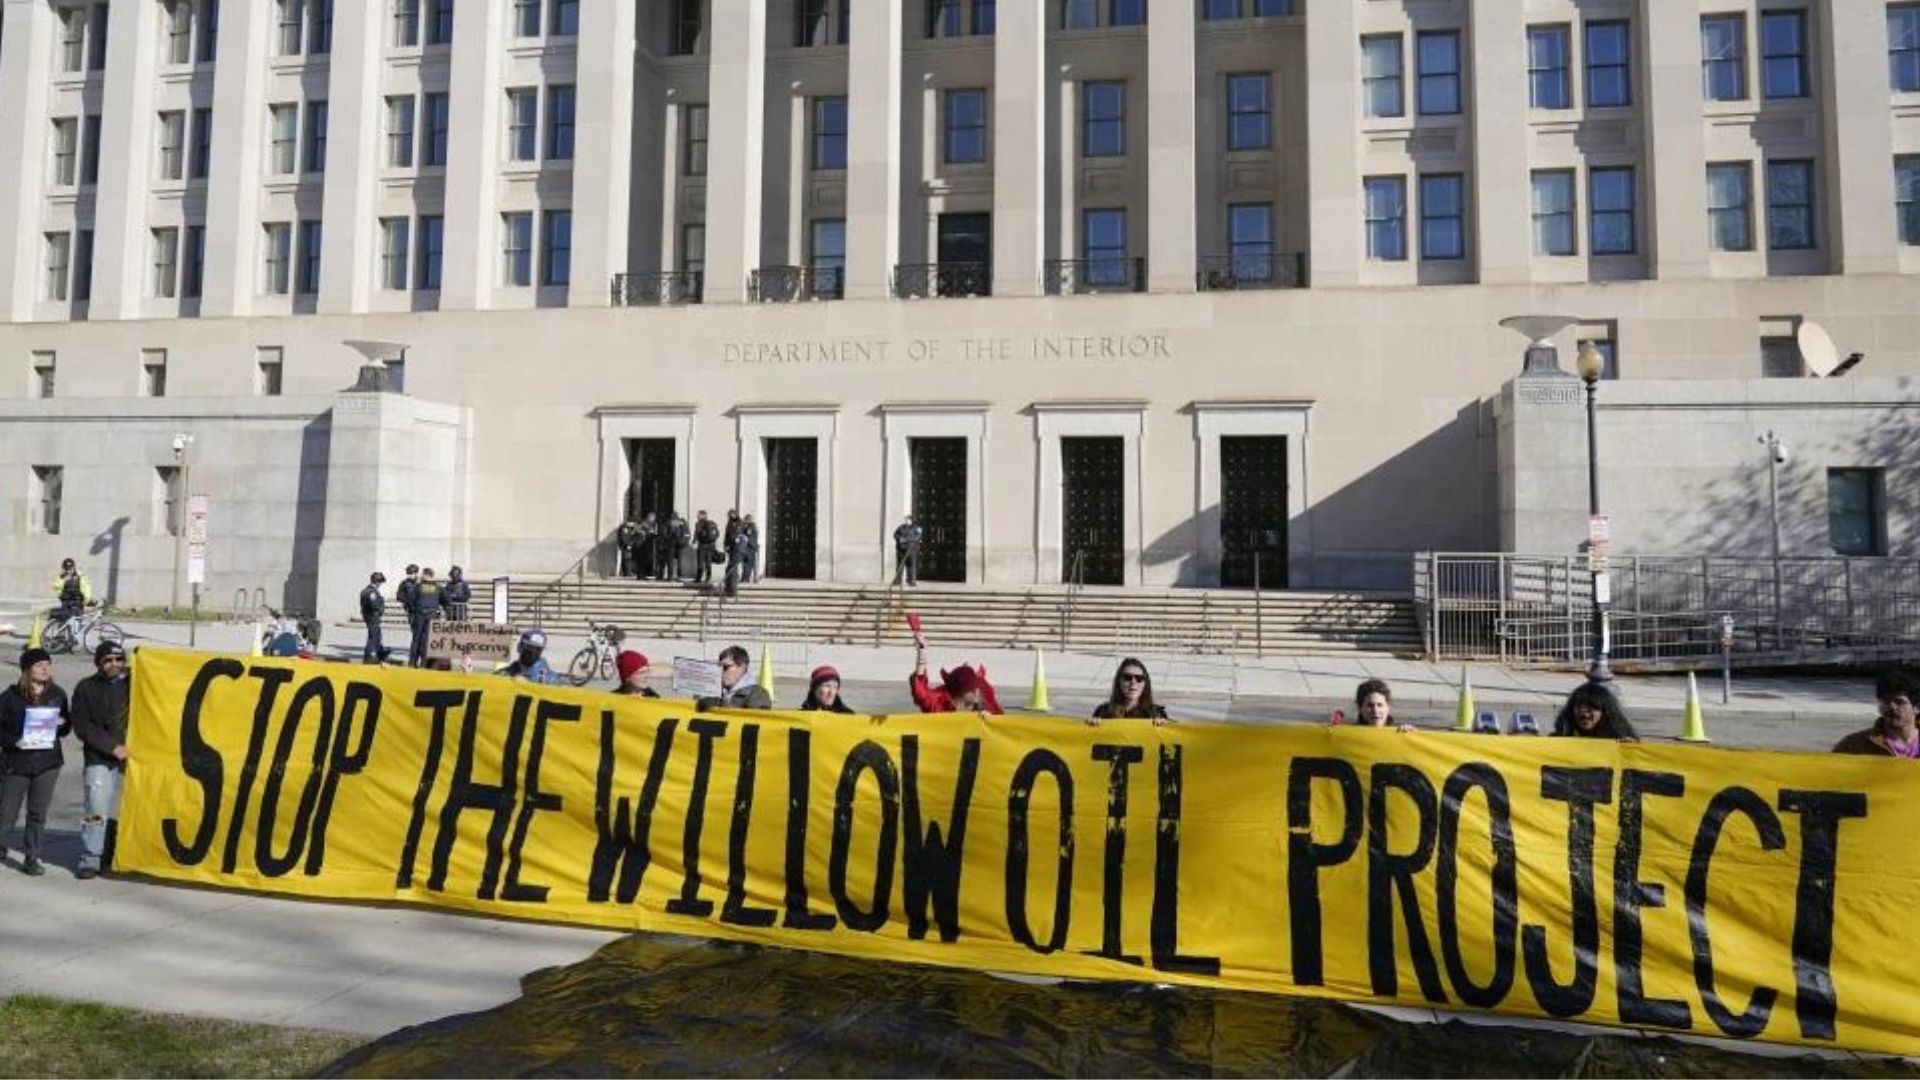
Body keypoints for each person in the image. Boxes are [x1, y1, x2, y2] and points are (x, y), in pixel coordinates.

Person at [0, 648, 71, 876]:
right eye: (40, 665)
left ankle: (32, 857)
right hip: (17, 762)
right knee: (7, 814)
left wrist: (62, 724)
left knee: (37, 813)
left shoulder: (57, 694)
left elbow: (66, 728)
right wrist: (14, 742)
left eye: (48, 664)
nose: (45, 669)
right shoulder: (10, 696)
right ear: (27, 670)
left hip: (47, 764)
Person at [70, 641, 129, 879]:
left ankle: (123, 854)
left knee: (133, 808)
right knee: (95, 809)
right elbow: (82, 726)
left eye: (118, 659)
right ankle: (90, 858)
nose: (114, 664)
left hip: (134, 756)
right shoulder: (86, 688)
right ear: (99, 663)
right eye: (108, 660)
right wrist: (111, 747)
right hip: (99, 758)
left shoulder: (135, 684)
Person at [1833, 671, 1920, 757]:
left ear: (1917, 708)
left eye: (1899, 702)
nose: (1891, 707)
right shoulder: (1854, 745)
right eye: (1886, 701)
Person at [909, 643, 1003, 714]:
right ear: (955, 697)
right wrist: (922, 652)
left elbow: (1002, 724)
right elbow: (921, 694)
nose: (973, 696)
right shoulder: (941, 708)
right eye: (966, 702)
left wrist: (990, 721)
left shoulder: (984, 704)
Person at [1090, 658, 1171, 724]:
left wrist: (1165, 728)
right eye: (1127, 678)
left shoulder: (1157, 714)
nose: (1133, 682)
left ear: (1145, 684)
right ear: (1119, 681)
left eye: (1139, 679)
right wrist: (1091, 728)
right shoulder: (1103, 712)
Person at [1552, 681, 1638, 740]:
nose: (1584, 711)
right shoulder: (1561, 735)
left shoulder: (1621, 739)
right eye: (1579, 706)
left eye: (1591, 707)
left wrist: (1630, 750)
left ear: (1604, 711)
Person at [697, 645, 773, 710]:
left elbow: (755, 721)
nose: (721, 671)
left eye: (725, 667)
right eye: (719, 668)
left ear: (741, 667)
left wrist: (720, 705)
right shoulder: (717, 692)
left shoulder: (758, 694)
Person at [1351, 677, 1416, 734]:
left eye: (1380, 705)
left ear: (1388, 708)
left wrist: (1413, 735)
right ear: (1360, 708)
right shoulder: (1349, 736)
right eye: (1370, 706)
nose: (1375, 710)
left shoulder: (1400, 733)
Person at [408, 568, 443, 668]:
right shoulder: (438, 587)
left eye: (422, 574)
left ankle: (412, 662)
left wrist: (414, 609)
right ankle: (424, 663)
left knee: (416, 639)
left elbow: (410, 600)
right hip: (431, 615)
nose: (421, 576)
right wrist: (437, 608)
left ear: (425, 575)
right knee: (426, 639)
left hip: (419, 615)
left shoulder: (418, 587)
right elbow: (446, 599)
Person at [359, 571, 389, 664]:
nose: (380, 584)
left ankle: (377, 653)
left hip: (369, 616)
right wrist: (381, 609)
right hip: (373, 616)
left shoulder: (365, 590)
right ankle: (370, 656)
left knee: (376, 635)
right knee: (373, 636)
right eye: (380, 582)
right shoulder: (372, 592)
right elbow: (375, 605)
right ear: (377, 582)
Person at [50, 557, 91, 623]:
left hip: (78, 602)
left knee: (77, 623)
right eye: (67, 569)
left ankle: (75, 632)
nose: (69, 571)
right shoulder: (61, 577)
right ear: (64, 568)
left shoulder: (81, 576)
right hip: (66, 602)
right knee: (64, 622)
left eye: (70, 568)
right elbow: (55, 586)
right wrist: (63, 580)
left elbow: (86, 588)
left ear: (74, 567)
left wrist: (87, 599)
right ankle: (62, 632)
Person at [893, 515, 922, 588]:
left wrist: (907, 540)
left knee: (911, 566)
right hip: (901, 550)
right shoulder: (901, 528)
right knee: (900, 566)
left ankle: (911, 581)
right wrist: (900, 539)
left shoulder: (916, 528)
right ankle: (898, 580)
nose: (907, 521)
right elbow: (895, 535)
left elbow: (918, 537)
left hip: (911, 550)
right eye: (906, 520)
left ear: (911, 521)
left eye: (908, 520)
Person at [693, 511, 720, 585]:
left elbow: (697, 533)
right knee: (708, 562)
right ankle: (708, 578)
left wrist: (694, 541)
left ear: (703, 515)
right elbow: (717, 534)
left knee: (700, 562)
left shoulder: (699, 524)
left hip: (702, 545)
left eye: (698, 515)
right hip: (710, 546)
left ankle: (698, 578)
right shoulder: (712, 523)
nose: (697, 516)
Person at [723, 526, 750, 599]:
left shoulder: (738, 538)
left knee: (733, 574)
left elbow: (736, 548)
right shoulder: (745, 538)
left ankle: (732, 591)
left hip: (735, 557)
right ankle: (729, 589)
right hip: (739, 557)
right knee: (730, 572)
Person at [666, 512, 691, 582]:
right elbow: (687, 533)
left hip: (671, 543)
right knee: (679, 560)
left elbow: (666, 533)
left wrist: (667, 540)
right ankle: (679, 576)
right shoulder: (682, 522)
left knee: (670, 560)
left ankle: (670, 576)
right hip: (680, 543)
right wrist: (685, 542)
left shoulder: (669, 522)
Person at [635, 513, 658, 580]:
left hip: (646, 545)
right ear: (649, 518)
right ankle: (640, 575)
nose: (653, 519)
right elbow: (639, 532)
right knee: (641, 561)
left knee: (645, 561)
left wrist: (654, 534)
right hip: (641, 545)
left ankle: (643, 575)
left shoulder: (651, 525)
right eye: (652, 518)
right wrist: (651, 533)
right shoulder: (643, 524)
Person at [743, 514, 762, 583]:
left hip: (750, 548)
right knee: (752, 564)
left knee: (748, 564)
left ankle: (746, 578)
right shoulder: (754, 527)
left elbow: (747, 537)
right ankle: (754, 577)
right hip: (753, 547)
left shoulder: (750, 527)